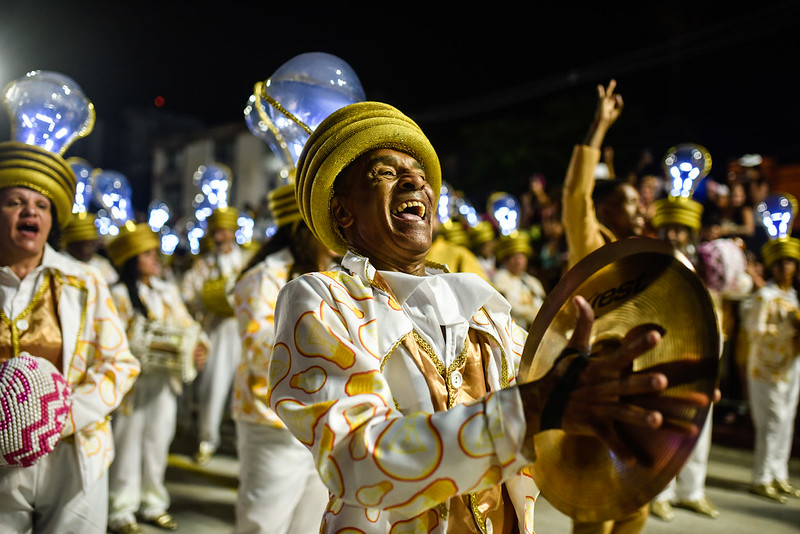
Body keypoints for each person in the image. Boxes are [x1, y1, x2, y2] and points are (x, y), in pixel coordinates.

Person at [265, 101, 703, 533]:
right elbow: (356, 462)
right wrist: (529, 410)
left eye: (418, 172)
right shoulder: (321, 299)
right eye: (385, 172)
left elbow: (549, 416)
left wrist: (617, 395)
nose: (415, 179)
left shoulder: (481, 307)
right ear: (342, 212)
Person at [0, 140, 140, 533]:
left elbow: (122, 365)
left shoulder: (84, 280)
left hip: (76, 454)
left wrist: (59, 418)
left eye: (42, 205)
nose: (30, 211)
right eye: (15, 201)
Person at [560, 80, 650, 534]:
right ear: (605, 210)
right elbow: (576, 194)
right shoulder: (592, 246)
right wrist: (597, 128)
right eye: (627, 202)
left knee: (635, 502)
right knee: (596, 505)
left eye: (639, 203)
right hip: (592, 384)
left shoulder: (640, 258)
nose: (639, 211)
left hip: (630, 386)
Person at [231, 182, 334, 534]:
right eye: (325, 225)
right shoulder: (262, 277)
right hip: (271, 421)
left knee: (311, 521)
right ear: (302, 230)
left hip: (323, 420)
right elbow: (260, 349)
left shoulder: (334, 277)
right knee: (264, 522)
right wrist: (328, 350)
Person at [105, 222, 209, 534]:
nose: (155, 259)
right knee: (127, 444)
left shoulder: (166, 290)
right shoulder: (117, 294)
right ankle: (120, 510)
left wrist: (199, 347)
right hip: (131, 386)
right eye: (147, 254)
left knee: (157, 442)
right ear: (132, 258)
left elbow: (189, 325)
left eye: (155, 253)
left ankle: (153, 503)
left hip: (163, 383)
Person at [181, 205, 251, 463]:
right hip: (217, 330)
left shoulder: (247, 259)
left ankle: (243, 445)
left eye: (225, 231)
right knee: (213, 386)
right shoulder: (203, 263)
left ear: (232, 232)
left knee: (247, 388)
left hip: (244, 330)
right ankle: (206, 440)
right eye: (217, 232)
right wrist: (204, 300)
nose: (221, 236)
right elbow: (188, 295)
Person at [742, 232, 800, 503]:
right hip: (766, 369)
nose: (784, 267)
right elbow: (756, 333)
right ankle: (761, 477)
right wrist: (790, 329)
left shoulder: (794, 298)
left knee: (786, 423)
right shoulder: (764, 296)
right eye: (779, 263)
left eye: (789, 262)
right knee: (772, 423)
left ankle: (779, 474)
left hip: (791, 367)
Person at [491, 232, 546, 331]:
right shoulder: (500, 279)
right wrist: (534, 315)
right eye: (514, 257)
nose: (518, 261)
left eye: (521, 257)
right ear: (505, 260)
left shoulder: (533, 281)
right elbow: (508, 306)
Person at [61, 211, 119, 286]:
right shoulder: (58, 264)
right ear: (71, 245)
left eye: (91, 245)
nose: (87, 250)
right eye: (84, 245)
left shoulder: (101, 265)